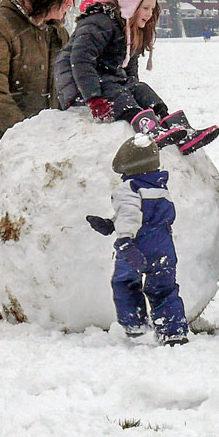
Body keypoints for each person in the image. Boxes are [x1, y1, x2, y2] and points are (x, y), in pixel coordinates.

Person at [0, 0, 77, 320]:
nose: (69, 7)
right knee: (4, 213)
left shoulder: (54, 30)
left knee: (37, 214)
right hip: (1, 139)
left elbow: (68, 77)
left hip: (42, 138)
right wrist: (19, 135)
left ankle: (28, 289)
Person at [55, 0, 219, 155]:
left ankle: (178, 130)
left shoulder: (129, 31)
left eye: (152, 9)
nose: (150, 15)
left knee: (141, 89)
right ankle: (147, 129)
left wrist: (134, 88)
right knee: (119, 93)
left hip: (105, 78)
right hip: (78, 84)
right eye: (146, 8)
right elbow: (80, 59)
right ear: (132, 6)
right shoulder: (100, 22)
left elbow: (129, 66)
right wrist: (94, 98)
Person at [86, 135, 188, 346]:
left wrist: (124, 239)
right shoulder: (160, 187)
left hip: (137, 244)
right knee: (164, 289)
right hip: (163, 246)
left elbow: (131, 216)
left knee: (124, 282)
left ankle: (134, 323)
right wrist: (110, 224)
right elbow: (148, 215)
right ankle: (173, 332)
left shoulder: (129, 187)